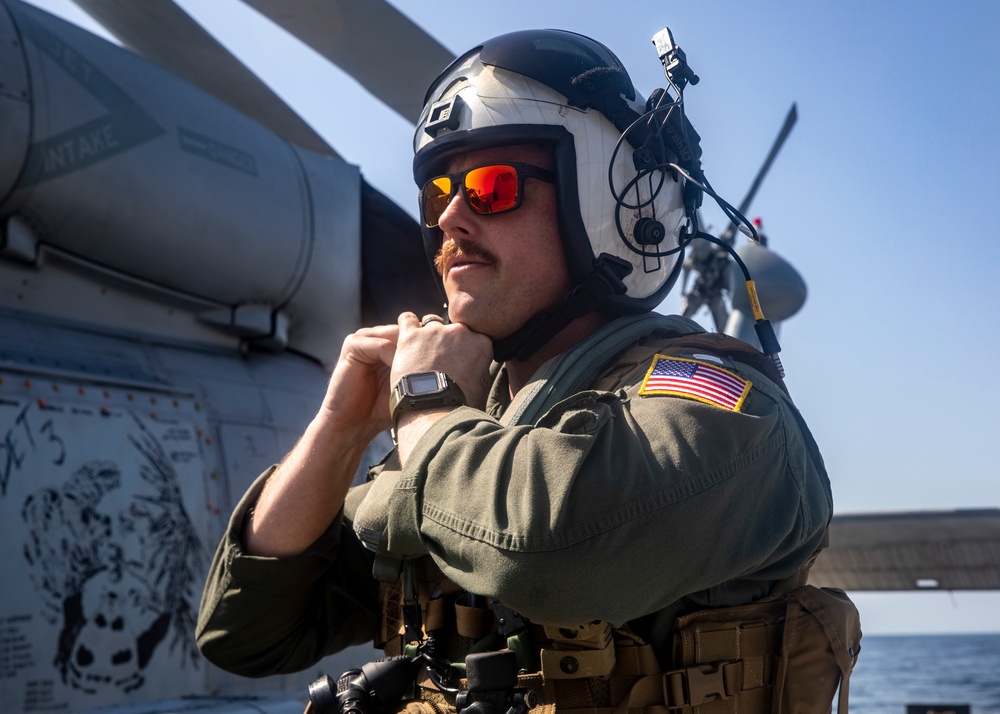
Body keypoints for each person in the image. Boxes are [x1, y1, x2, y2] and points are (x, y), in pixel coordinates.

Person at [197, 28, 856, 714]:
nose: (449, 217)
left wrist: (424, 402)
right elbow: (246, 634)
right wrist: (337, 429)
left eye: (491, 187)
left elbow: (543, 553)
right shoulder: (461, 432)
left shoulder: (727, 413)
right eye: (439, 194)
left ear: (613, 208)